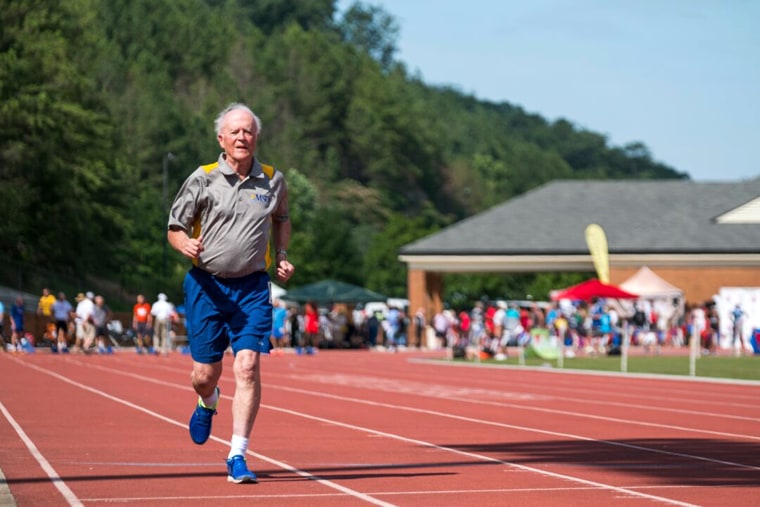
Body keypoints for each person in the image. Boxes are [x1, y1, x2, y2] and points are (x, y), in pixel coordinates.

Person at [167, 103, 294, 483]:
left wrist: (283, 255)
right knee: (204, 374)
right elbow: (175, 227)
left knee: (248, 367)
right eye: (234, 132)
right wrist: (184, 244)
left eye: (248, 131)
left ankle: (237, 454)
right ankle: (208, 401)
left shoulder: (273, 180)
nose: (242, 137)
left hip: (252, 287)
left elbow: (282, 218)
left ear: (256, 137)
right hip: (207, 286)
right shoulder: (203, 178)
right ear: (221, 139)